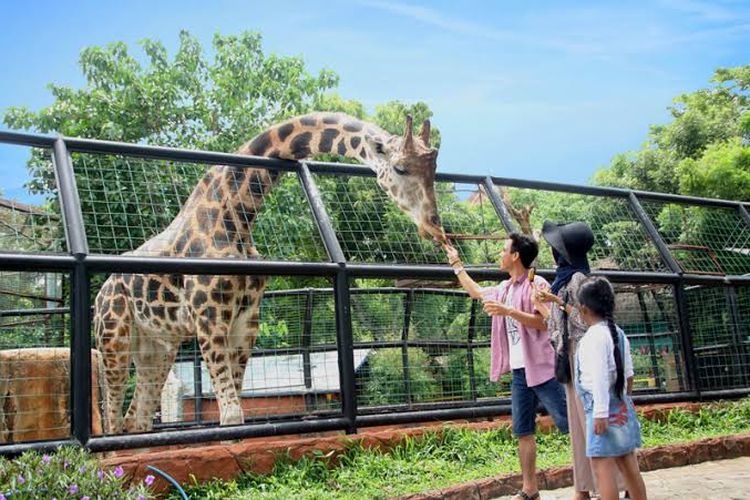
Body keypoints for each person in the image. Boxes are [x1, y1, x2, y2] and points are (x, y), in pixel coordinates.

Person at [445, 233, 568, 500]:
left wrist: (508, 311)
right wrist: (457, 264)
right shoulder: (505, 288)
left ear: (515, 256)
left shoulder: (537, 283)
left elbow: (545, 323)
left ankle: (599, 477)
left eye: (503, 249)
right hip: (520, 373)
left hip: (544, 370)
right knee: (523, 430)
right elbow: (476, 292)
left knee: (571, 424)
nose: (499, 254)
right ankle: (529, 489)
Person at [534, 221, 612, 500]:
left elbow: (586, 321)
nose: (554, 255)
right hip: (570, 358)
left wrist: (557, 302)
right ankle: (583, 487)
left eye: (557, 250)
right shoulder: (564, 280)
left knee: (590, 422)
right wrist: (546, 305)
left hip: (584, 357)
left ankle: (608, 486)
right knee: (578, 427)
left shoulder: (579, 279)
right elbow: (558, 327)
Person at [575, 276, 647, 500]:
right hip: (620, 403)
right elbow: (629, 376)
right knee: (628, 464)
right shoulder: (617, 332)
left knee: (601, 467)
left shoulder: (593, 338)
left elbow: (598, 378)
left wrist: (600, 414)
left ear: (583, 309)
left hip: (600, 409)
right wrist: (622, 403)